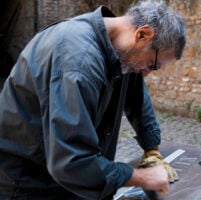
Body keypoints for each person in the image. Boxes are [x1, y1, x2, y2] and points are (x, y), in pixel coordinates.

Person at [0, 0, 186, 199]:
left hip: (67, 177)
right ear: (142, 34)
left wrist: (152, 150)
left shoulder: (123, 49)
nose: (147, 73)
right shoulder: (79, 61)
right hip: (27, 182)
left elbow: (137, 97)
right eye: (151, 64)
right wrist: (141, 177)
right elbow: (72, 161)